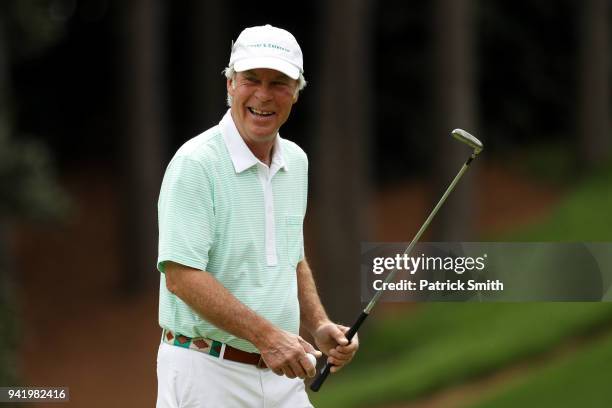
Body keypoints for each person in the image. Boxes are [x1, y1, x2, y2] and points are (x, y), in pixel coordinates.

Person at [156, 24, 359, 407]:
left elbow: (290, 256)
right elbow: (181, 277)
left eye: (279, 82)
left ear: (296, 92)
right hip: (206, 372)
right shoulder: (195, 164)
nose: (263, 96)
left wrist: (318, 324)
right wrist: (269, 337)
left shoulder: (295, 161)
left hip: (281, 375)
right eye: (251, 79)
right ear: (230, 84)